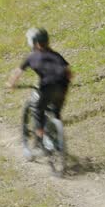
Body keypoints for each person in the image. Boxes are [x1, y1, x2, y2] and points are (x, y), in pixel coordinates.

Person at [7, 27, 72, 159]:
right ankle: (58, 140)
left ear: (34, 43)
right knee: (55, 111)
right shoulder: (56, 54)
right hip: (63, 86)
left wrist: (11, 84)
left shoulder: (32, 56)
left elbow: (18, 72)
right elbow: (69, 72)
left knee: (37, 111)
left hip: (47, 86)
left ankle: (40, 143)